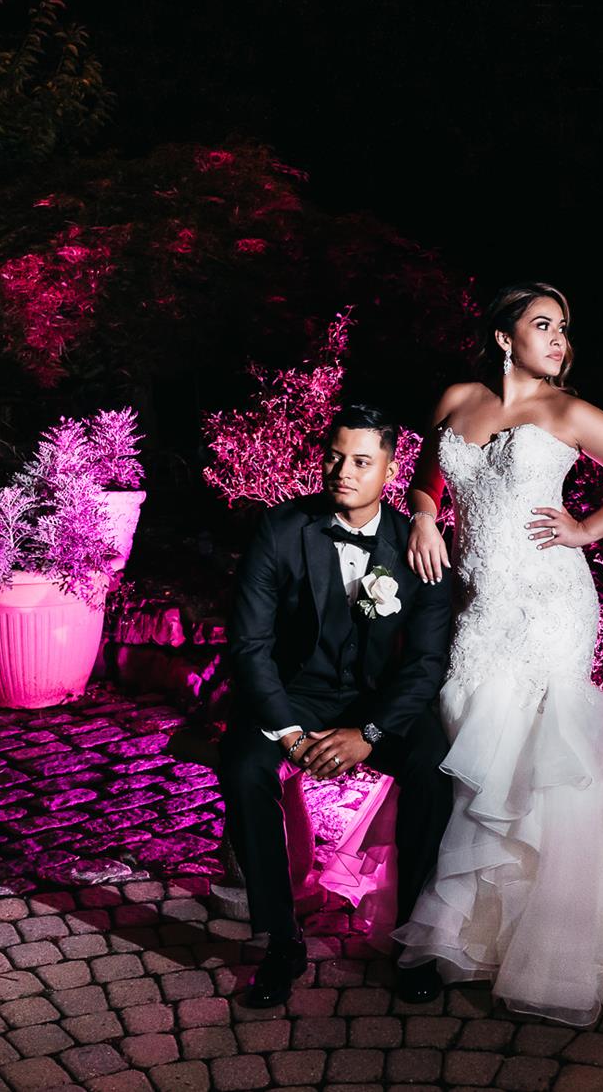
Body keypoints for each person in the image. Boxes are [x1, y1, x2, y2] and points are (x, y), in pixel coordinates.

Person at [389, 281, 603, 1026]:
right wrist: (423, 517)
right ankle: (485, 934)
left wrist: (586, 530)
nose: (559, 340)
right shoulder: (458, 399)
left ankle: (564, 945)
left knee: (544, 762)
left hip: (548, 607)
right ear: (503, 337)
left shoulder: (568, 413)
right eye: (544, 325)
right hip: (480, 611)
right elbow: (427, 478)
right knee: (471, 735)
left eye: (564, 328)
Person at [217, 404, 454, 1008]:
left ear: (391, 471)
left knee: (433, 767)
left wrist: (369, 732)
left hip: (378, 703)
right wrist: (290, 734)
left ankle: (412, 940)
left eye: (362, 461)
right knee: (242, 766)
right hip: (293, 695)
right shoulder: (279, 529)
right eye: (335, 456)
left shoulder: (418, 544)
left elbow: (426, 663)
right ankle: (281, 940)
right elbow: (249, 646)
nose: (343, 471)